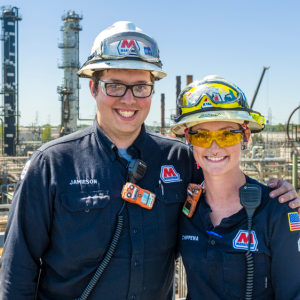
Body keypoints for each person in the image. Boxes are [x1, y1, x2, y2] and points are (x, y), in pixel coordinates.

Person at [0, 23, 297, 300]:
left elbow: (222, 172)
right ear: (93, 87)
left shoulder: (179, 159)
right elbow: (18, 272)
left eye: (141, 87)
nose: (129, 100)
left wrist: (279, 194)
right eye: (115, 85)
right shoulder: (51, 165)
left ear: (151, 90)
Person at [172, 75, 300, 300]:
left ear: (245, 136)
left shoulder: (277, 210)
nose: (214, 147)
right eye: (201, 135)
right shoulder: (182, 207)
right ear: (188, 138)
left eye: (226, 135)